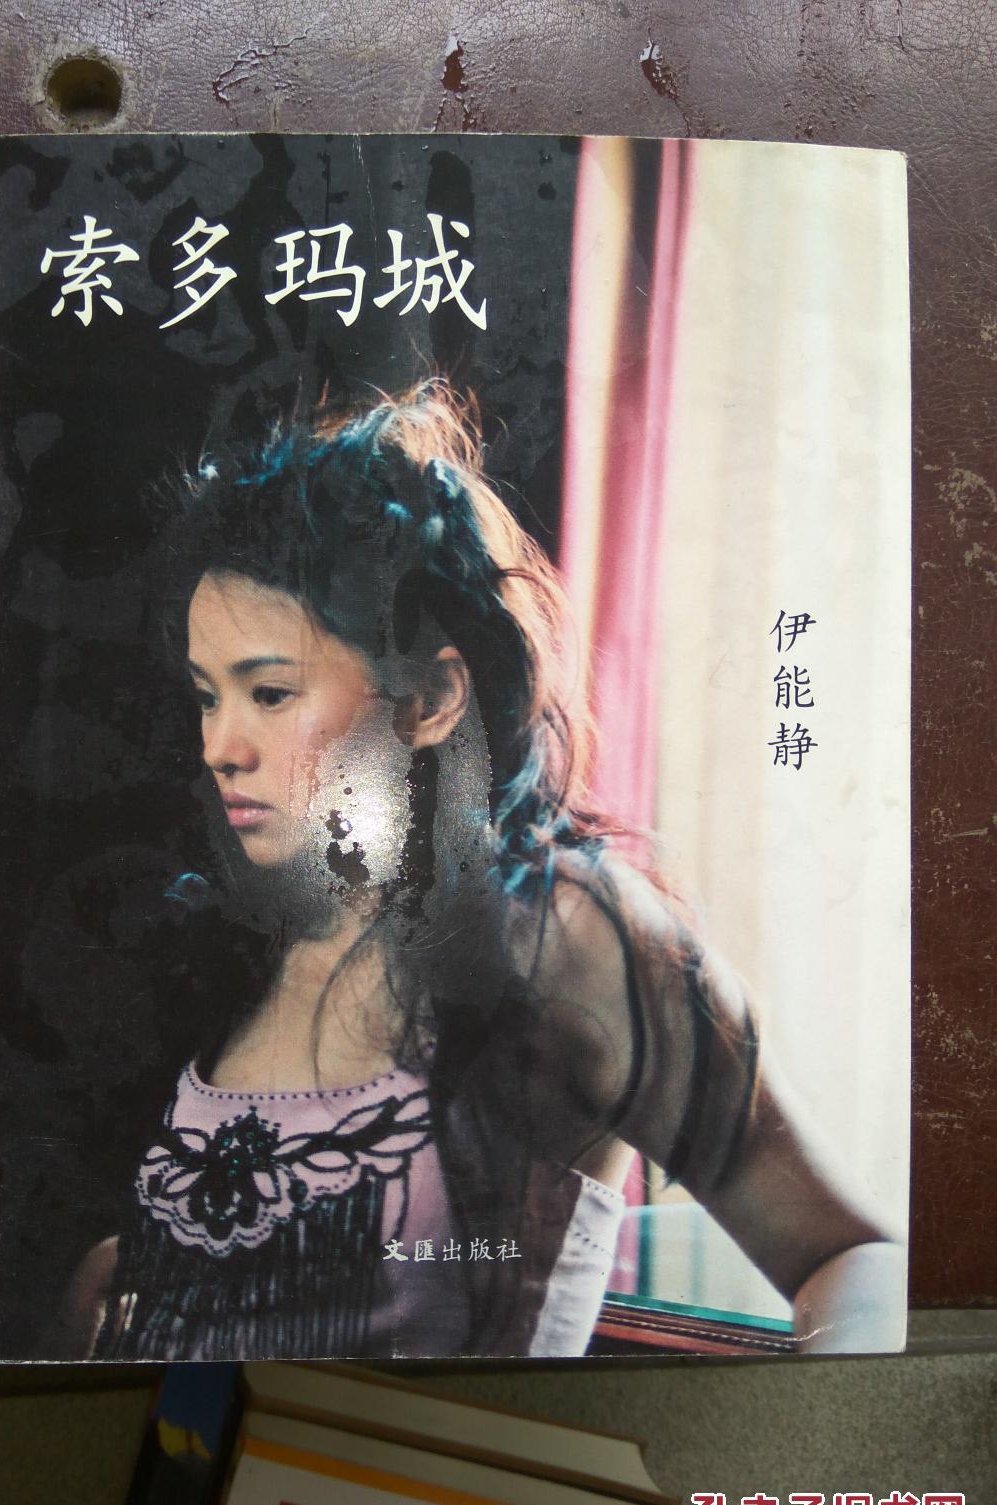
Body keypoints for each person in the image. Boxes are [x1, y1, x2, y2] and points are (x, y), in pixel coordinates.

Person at [50, 382, 905, 1360]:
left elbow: (856, 1255)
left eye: (271, 692)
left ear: (432, 698)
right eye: (209, 696)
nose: (221, 746)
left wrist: (817, 1433)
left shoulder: (557, 926)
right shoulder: (272, 936)